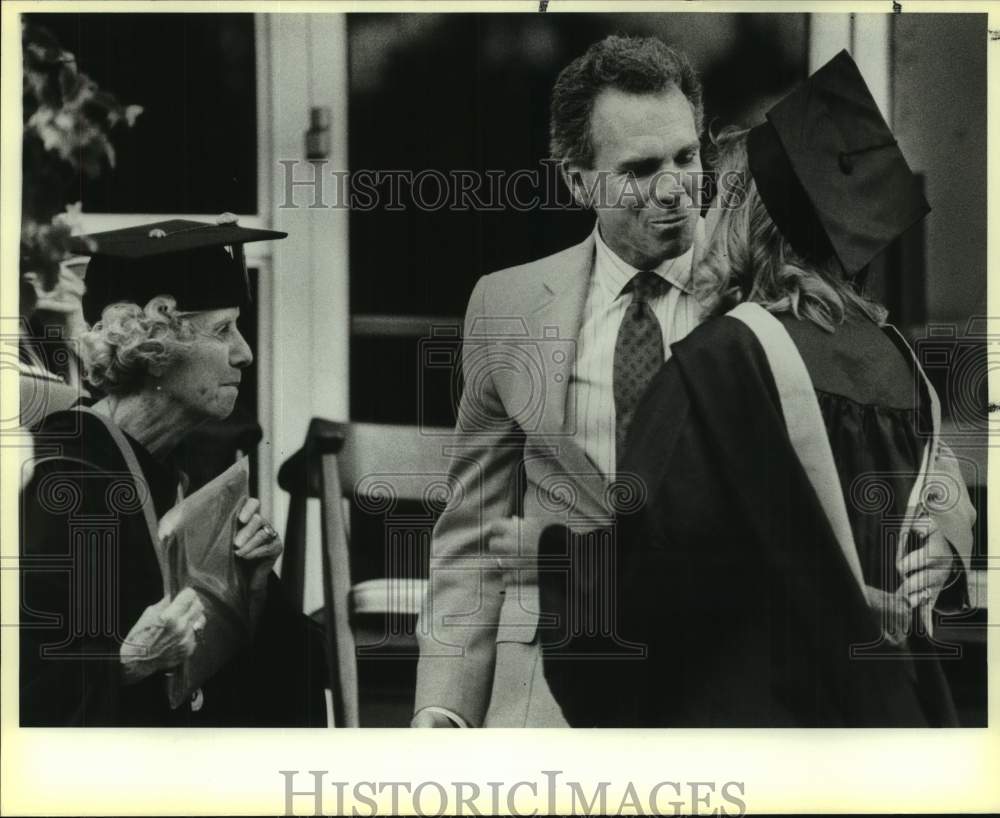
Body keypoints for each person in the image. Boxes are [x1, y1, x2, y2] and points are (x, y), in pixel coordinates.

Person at [497, 50, 976, 726]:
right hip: (889, 709)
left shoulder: (725, 356)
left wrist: (553, 561)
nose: (688, 202)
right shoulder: (893, 352)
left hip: (754, 706)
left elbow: (668, 561)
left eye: (706, 181)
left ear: (748, 213)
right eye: (640, 169)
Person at [412, 35, 709, 728]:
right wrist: (443, 708)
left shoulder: (762, 290)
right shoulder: (507, 305)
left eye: (687, 157)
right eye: (640, 168)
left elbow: (897, 425)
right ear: (578, 183)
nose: (673, 188)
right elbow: (472, 532)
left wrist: (935, 532)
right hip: (550, 680)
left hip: (718, 673)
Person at [20, 218, 326, 726]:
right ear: (154, 345)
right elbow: (24, 687)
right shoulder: (63, 481)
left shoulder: (187, 476)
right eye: (223, 329)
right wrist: (124, 664)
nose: (244, 353)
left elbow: (297, 676)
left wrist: (249, 588)